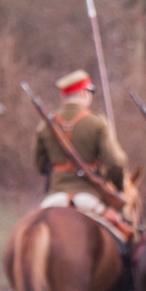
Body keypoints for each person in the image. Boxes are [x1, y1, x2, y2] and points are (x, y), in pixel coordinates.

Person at [33, 69, 128, 215]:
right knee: (122, 232)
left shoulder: (45, 125)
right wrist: (117, 186)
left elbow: (39, 166)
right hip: (89, 196)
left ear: (63, 97)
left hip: (54, 195)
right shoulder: (96, 122)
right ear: (84, 93)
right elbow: (115, 162)